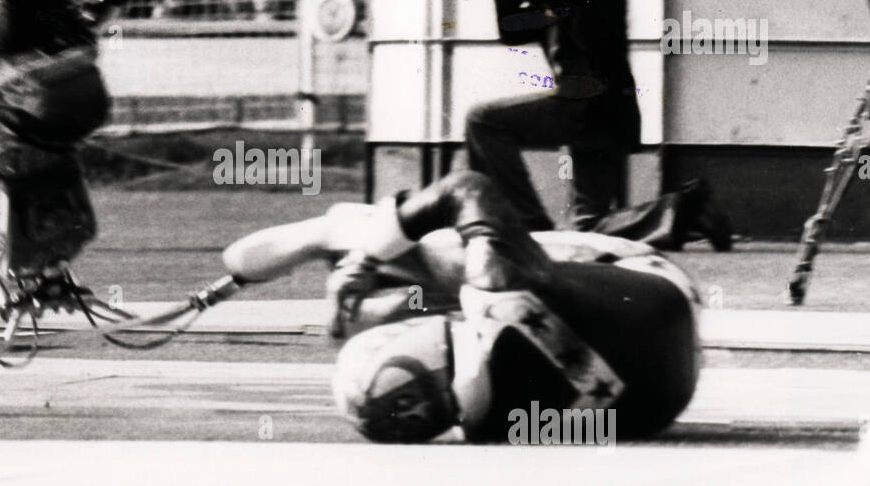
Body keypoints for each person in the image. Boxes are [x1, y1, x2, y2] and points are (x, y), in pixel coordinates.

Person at [217, 170, 701, 444]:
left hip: (660, 394)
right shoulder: (498, 287)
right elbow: (468, 187)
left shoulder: (485, 425)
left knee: (385, 284)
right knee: (429, 255)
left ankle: (341, 234)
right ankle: (342, 234)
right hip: (649, 285)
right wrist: (364, 258)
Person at [464, 0, 730, 250]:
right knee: (586, 231)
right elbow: (514, 33)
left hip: (596, 104)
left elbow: (592, 34)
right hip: (587, 109)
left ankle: (527, 223)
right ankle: (687, 213)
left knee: (483, 120)